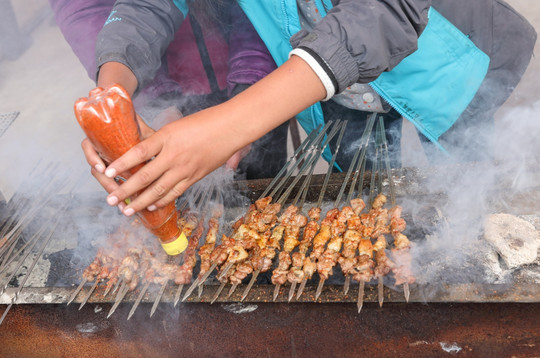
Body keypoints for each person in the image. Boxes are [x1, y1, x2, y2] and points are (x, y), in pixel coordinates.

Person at [80, 0, 535, 218]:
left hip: (446, 62)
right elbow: (147, 7)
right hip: (329, 87)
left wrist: (231, 124)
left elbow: (386, 11)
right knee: (363, 201)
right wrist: (112, 94)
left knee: (468, 191)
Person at [50, 0, 287, 180]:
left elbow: (267, 10)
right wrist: (136, 100)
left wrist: (248, 91)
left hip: (257, 81)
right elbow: (88, 10)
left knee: (262, 184)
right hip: (146, 82)